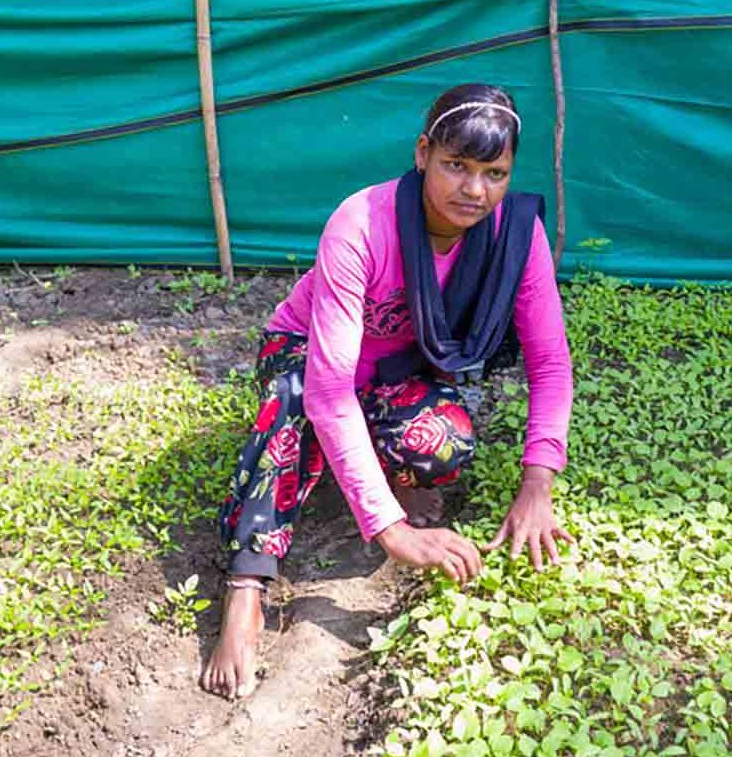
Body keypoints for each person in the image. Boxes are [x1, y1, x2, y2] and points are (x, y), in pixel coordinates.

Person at [200, 83, 575, 699]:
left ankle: (379, 467)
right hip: (310, 356)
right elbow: (328, 387)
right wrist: (390, 530)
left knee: (443, 444)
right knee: (294, 400)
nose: (474, 191)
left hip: (407, 366)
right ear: (423, 152)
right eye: (457, 164)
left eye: (495, 172)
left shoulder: (516, 234)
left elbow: (550, 363)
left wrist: (538, 484)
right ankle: (247, 584)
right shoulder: (361, 223)